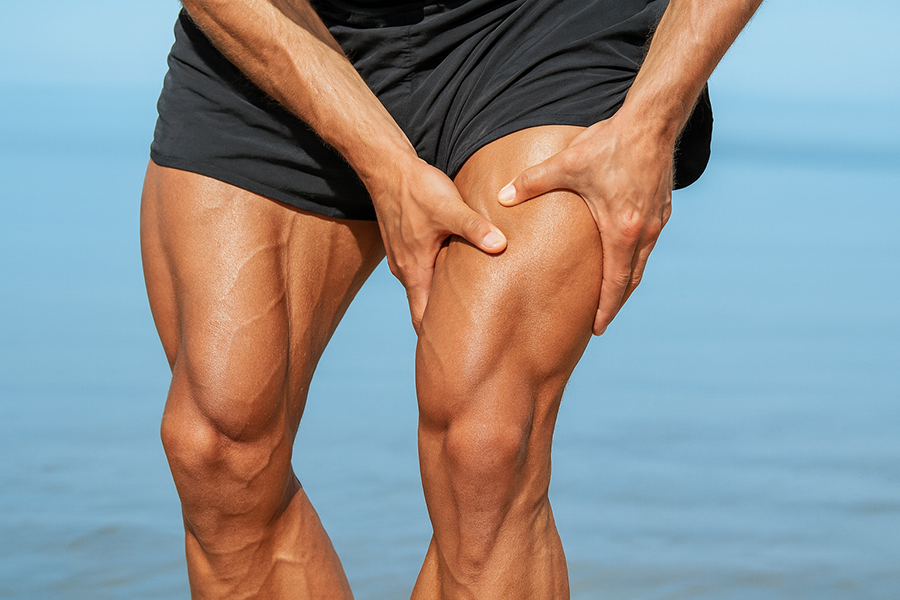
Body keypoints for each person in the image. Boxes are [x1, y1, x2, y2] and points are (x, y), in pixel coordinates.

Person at [140, 0, 761, 596]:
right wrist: (386, 166)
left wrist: (653, 120)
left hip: (542, 26)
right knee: (217, 447)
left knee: (484, 447)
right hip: (288, 22)